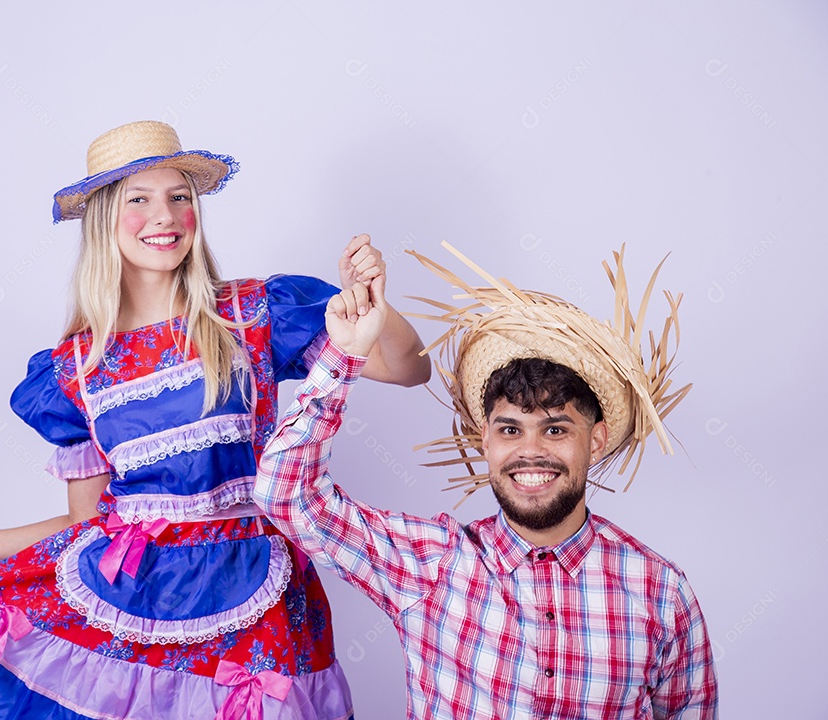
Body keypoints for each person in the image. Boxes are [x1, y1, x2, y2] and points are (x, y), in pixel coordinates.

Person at [0, 120, 429, 720]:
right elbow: (90, 525)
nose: (164, 216)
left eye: (178, 197)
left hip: (261, 606)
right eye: (139, 199)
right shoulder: (74, 370)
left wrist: (373, 302)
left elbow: (408, 368)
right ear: (105, 218)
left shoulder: (252, 314)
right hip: (137, 606)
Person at [253, 244, 718, 719]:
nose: (530, 451)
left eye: (555, 429)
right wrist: (346, 355)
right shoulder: (430, 565)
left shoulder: (659, 590)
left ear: (595, 440)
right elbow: (285, 492)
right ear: (485, 442)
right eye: (510, 429)